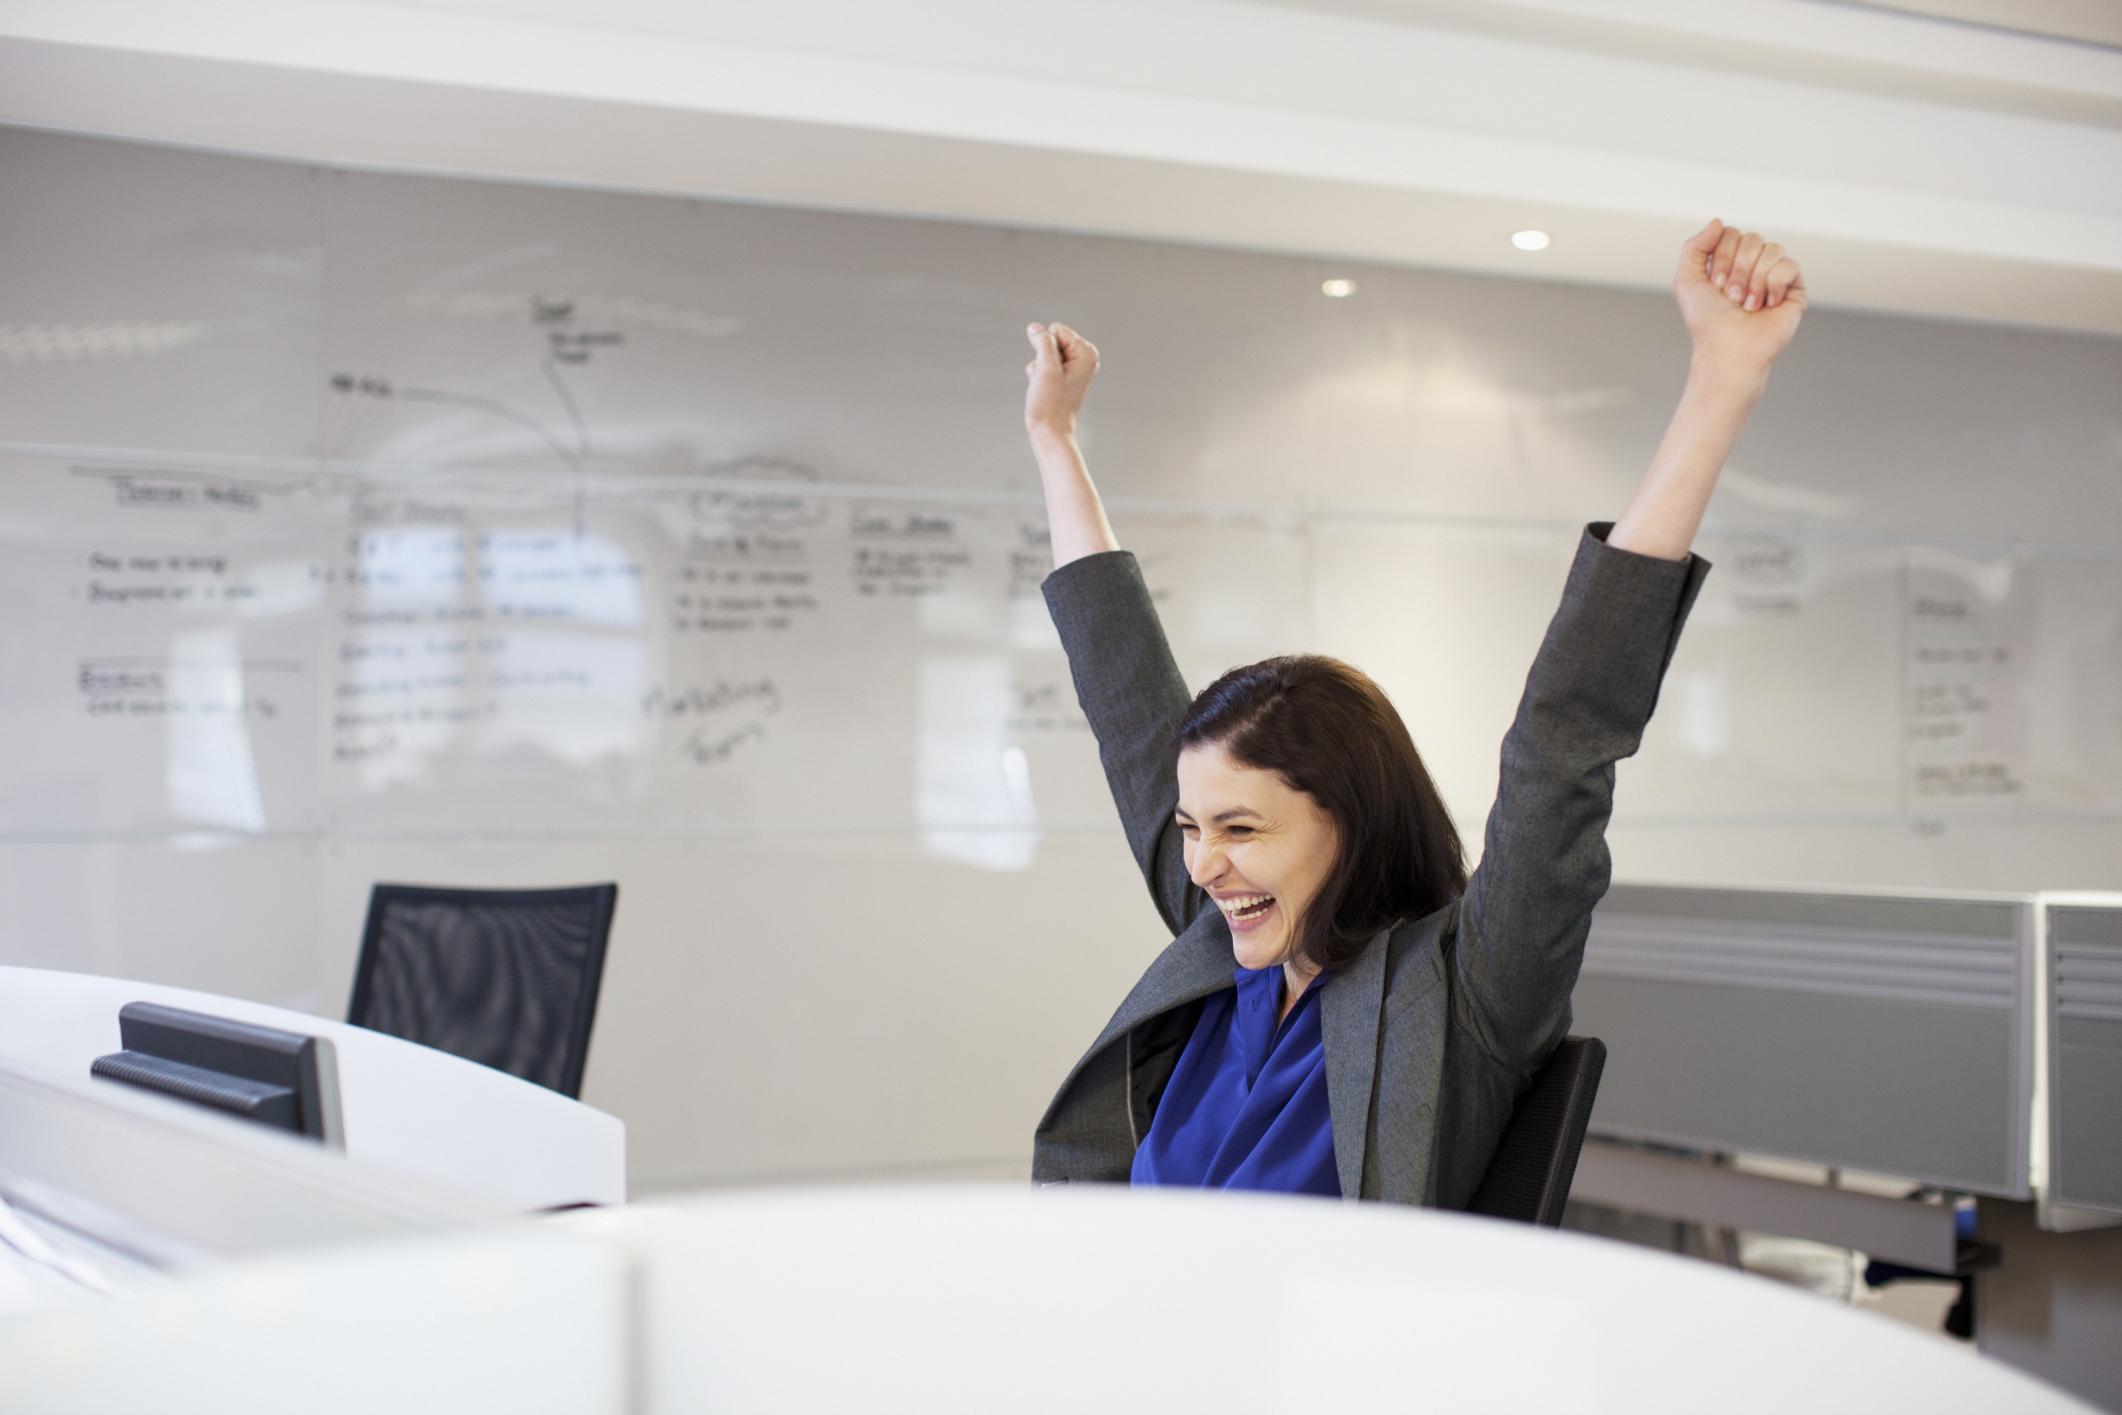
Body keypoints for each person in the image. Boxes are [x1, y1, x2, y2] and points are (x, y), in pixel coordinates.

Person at [1022, 221, 1805, 1204]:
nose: (1202, 861)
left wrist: (1723, 378)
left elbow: (1560, 741)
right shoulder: (1222, 941)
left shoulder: (1464, 990)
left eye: (1238, 826)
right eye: (1188, 826)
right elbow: (1123, 687)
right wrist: (1054, 440)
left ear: (1347, 821)